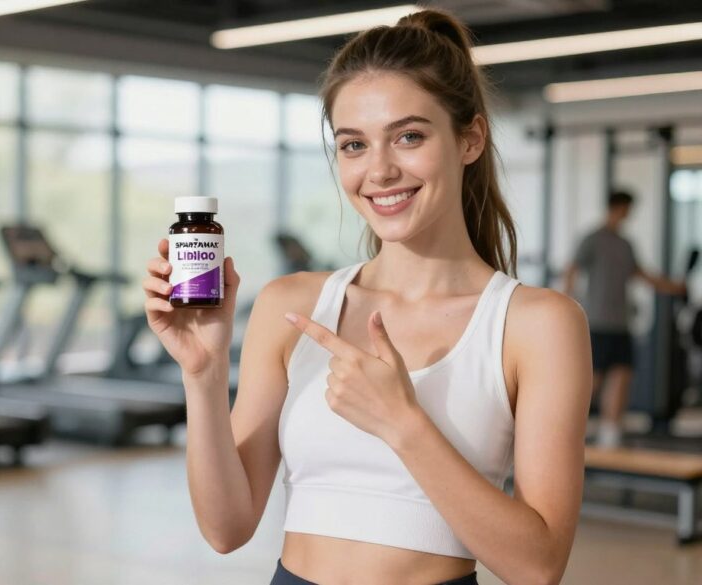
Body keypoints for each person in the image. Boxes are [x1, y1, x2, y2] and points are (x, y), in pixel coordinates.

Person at [142, 9, 591, 585]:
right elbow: (226, 529)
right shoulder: (292, 307)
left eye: (409, 137)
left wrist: (403, 424)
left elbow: (539, 566)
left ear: (470, 139)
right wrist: (202, 375)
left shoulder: (537, 324)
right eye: (354, 145)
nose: (379, 170)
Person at [563, 190, 687, 448]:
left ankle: (610, 433)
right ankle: (567, 430)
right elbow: (572, 269)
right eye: (628, 209)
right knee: (592, 380)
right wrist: (566, 304)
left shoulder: (625, 244)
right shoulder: (593, 239)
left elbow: (640, 274)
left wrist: (672, 287)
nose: (630, 214)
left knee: (621, 375)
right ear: (618, 207)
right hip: (597, 322)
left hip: (621, 323)